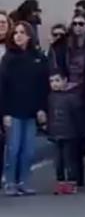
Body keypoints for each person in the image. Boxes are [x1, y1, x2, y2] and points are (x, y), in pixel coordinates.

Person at [0, 21, 48, 196]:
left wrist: (42, 108)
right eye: (16, 33)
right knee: (13, 149)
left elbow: (43, 85)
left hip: (31, 111)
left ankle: (24, 181)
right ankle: (10, 182)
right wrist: (4, 112)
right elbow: (3, 87)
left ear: (29, 36)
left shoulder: (38, 57)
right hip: (12, 111)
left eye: (22, 32)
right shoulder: (9, 58)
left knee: (28, 150)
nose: (18, 35)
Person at [48, 13, 85, 188]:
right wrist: (61, 82)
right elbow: (56, 66)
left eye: (81, 23)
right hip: (69, 92)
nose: (78, 27)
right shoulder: (65, 46)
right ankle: (72, 179)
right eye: (74, 23)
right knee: (70, 141)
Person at [48, 70, 82, 195]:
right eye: (51, 81)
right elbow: (50, 116)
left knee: (70, 159)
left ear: (65, 81)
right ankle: (60, 182)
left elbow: (77, 116)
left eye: (57, 80)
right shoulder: (50, 97)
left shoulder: (72, 97)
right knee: (58, 161)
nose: (54, 84)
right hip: (56, 133)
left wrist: (79, 131)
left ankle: (72, 182)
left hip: (69, 133)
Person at [0, 11, 12, 184]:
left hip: (9, 98)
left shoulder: (12, 48)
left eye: (3, 22)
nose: (1, 25)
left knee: (7, 140)